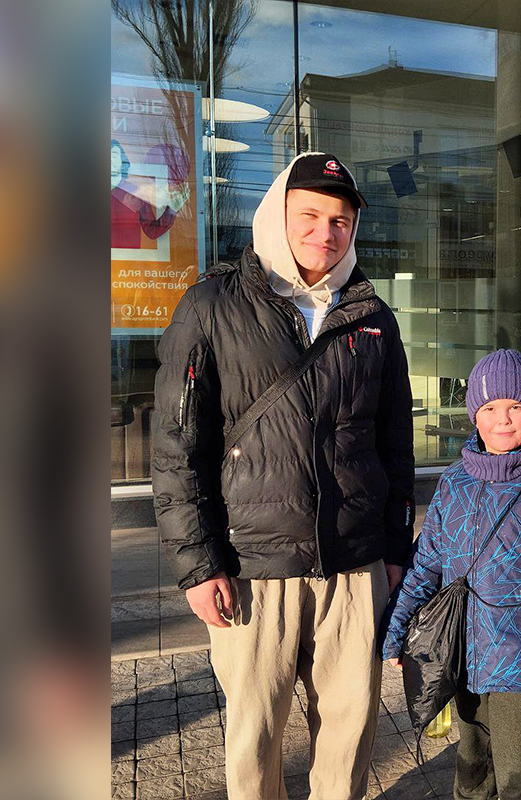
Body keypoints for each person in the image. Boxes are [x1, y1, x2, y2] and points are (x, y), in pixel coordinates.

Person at [151, 152, 415, 799]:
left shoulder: (374, 319)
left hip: (353, 567)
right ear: (278, 214)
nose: (326, 232)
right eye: (311, 215)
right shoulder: (212, 306)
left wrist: (394, 551)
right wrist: (199, 565)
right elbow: (177, 447)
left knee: (350, 737)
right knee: (255, 740)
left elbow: (395, 447)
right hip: (252, 567)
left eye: (341, 220)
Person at [382, 349, 521, 800]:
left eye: (516, 406)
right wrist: (397, 631)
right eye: (490, 408)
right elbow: (426, 565)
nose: (503, 419)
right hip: (462, 656)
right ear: (474, 416)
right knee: (472, 769)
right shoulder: (453, 482)